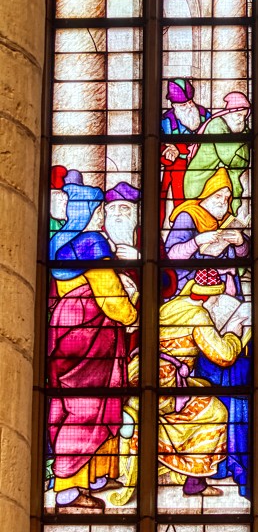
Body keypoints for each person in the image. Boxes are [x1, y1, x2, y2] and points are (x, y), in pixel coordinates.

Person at [48, 182, 138, 513]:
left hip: (67, 330)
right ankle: (68, 489)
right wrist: (133, 314)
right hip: (90, 338)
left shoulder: (63, 244)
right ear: (88, 213)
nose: (102, 216)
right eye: (100, 210)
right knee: (86, 409)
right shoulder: (93, 244)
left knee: (84, 406)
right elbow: (111, 298)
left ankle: (95, 475)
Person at [155, 269, 248, 496]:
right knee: (215, 412)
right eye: (216, 299)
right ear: (206, 297)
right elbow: (224, 356)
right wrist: (233, 334)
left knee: (204, 391)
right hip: (168, 386)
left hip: (149, 375)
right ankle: (194, 481)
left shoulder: (172, 306)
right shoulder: (198, 316)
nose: (216, 304)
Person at [165, 167, 249, 297]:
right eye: (218, 196)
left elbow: (244, 255)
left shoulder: (227, 220)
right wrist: (197, 241)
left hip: (226, 288)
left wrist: (240, 243)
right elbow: (172, 255)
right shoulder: (188, 216)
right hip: (192, 288)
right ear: (207, 194)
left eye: (227, 198)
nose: (222, 202)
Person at [184, 91, 251, 214]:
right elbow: (232, 159)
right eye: (238, 114)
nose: (241, 119)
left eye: (244, 116)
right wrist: (244, 144)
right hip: (200, 179)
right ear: (230, 112)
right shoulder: (216, 125)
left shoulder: (239, 128)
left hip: (216, 177)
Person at [160, 78, 211, 228]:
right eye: (183, 105)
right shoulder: (166, 120)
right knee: (176, 203)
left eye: (190, 102)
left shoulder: (204, 115)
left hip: (203, 167)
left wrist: (179, 149)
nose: (188, 107)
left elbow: (211, 140)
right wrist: (168, 151)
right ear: (174, 105)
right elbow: (159, 147)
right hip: (177, 171)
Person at [104, 181, 140, 260]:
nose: (117, 213)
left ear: (134, 212)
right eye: (112, 208)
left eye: (124, 208)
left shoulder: (146, 235)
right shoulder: (101, 236)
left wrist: (138, 256)